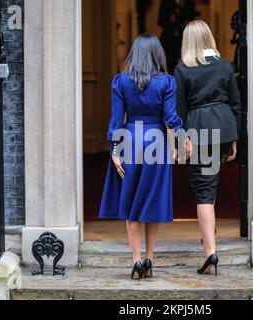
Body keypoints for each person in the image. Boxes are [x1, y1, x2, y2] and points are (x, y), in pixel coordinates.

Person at [99, 34, 192, 281]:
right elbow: (170, 117)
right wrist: (183, 137)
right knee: (151, 202)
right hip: (156, 142)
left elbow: (118, 121)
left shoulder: (120, 82)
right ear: (157, 55)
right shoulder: (167, 82)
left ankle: (136, 260)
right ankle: (150, 258)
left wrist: (115, 151)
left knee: (132, 204)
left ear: (134, 54)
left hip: (130, 139)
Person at [174, 20, 241, 276]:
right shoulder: (225, 66)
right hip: (223, 128)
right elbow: (235, 104)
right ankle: (209, 237)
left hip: (197, 130)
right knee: (209, 184)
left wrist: (180, 141)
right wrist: (234, 138)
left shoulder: (183, 70)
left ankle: (210, 252)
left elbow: (178, 110)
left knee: (203, 191)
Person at [158, 0, 199, 74]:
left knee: (187, 64)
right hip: (169, 39)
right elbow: (160, 22)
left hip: (185, 39)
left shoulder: (190, 3)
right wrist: (169, 19)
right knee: (171, 66)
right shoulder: (166, 2)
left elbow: (192, 21)